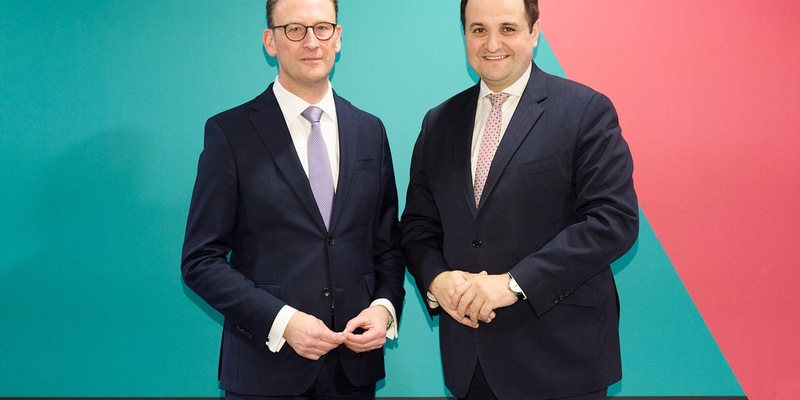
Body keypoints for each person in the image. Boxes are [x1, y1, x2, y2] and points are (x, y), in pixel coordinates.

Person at [400, 0, 639, 399]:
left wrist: (514, 284)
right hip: (470, 360)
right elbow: (418, 226)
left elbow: (612, 221)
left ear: (534, 31)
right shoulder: (438, 122)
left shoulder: (585, 111)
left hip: (561, 361)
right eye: (478, 30)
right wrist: (437, 280)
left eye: (507, 29)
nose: (492, 43)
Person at [181, 0, 405, 398]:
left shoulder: (370, 130)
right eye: (295, 30)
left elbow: (388, 247)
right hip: (264, 369)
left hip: (352, 373)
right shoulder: (230, 133)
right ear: (271, 41)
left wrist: (383, 308)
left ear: (338, 38)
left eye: (322, 28)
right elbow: (201, 261)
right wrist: (282, 322)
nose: (311, 42)